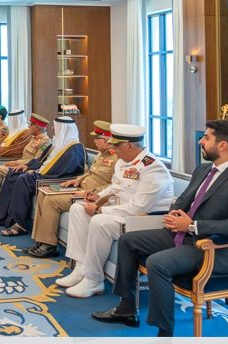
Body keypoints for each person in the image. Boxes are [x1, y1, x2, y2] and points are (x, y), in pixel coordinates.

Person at [93, 120, 228, 337]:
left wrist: (192, 225)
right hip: (183, 235)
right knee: (128, 240)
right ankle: (126, 309)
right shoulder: (204, 170)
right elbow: (183, 201)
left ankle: (165, 333)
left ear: (223, 145)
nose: (201, 141)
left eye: (207, 137)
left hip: (212, 247)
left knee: (157, 263)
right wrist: (174, 214)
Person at [56, 124, 174, 299]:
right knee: (77, 209)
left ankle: (93, 280)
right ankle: (80, 268)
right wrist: (98, 196)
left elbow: (138, 208)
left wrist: (100, 209)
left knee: (99, 221)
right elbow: (115, 187)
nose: (113, 149)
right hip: (123, 214)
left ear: (129, 146)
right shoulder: (122, 162)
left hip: (144, 220)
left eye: (116, 145)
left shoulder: (153, 168)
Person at [25, 121, 117, 258]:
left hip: (90, 196)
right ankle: (40, 241)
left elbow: (113, 186)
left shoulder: (116, 158)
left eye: (97, 138)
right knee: (43, 194)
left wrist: (90, 193)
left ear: (106, 140)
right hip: (80, 188)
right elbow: (90, 173)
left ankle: (49, 246)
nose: (94, 141)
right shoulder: (102, 154)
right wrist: (77, 180)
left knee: (51, 200)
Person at [0, 116, 86, 235]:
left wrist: (37, 172)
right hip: (43, 173)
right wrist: (27, 166)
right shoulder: (57, 144)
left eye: (55, 126)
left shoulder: (75, 148)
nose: (52, 128)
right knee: (13, 173)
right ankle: (2, 217)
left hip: (53, 178)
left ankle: (19, 224)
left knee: (23, 179)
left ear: (64, 128)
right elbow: (41, 160)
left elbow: (66, 171)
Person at [0, 113, 52, 212]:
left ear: (37, 126)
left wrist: (16, 163)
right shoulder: (34, 138)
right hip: (20, 164)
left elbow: (36, 161)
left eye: (31, 124)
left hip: (25, 168)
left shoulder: (45, 141)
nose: (29, 127)